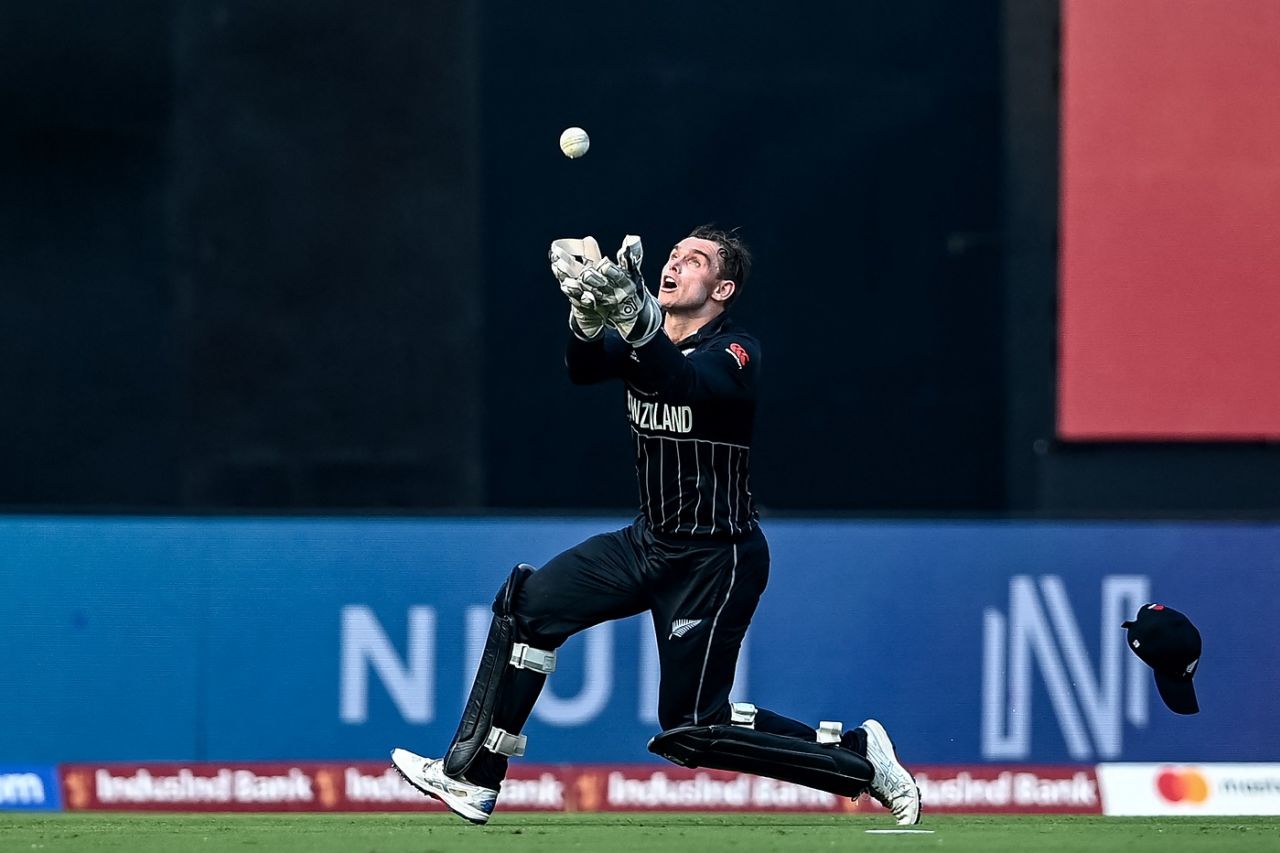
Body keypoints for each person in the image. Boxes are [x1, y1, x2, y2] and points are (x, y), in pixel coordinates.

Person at [391, 226, 921, 825]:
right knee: (529, 606)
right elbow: (582, 368)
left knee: (692, 731)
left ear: (721, 289)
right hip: (648, 543)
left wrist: (635, 318)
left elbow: (688, 385)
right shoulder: (649, 340)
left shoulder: (738, 350)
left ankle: (859, 760)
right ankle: (474, 776)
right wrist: (587, 315)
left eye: (693, 261)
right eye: (673, 255)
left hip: (716, 559)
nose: (674, 264)